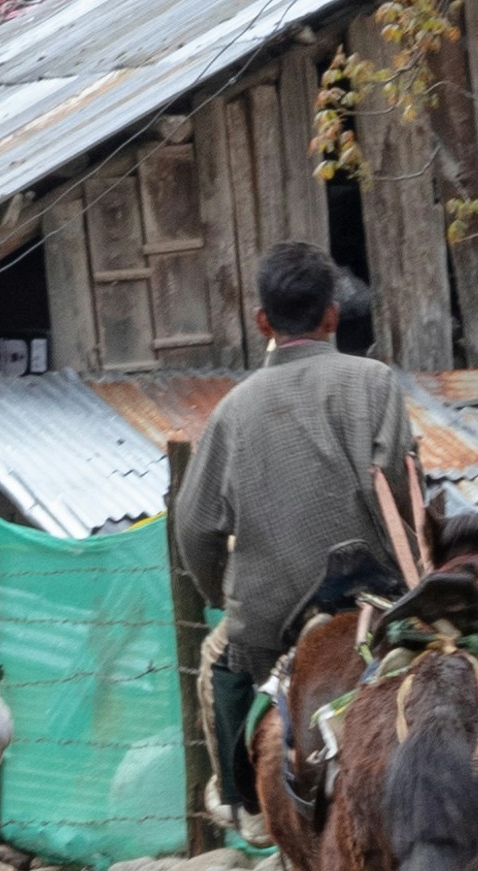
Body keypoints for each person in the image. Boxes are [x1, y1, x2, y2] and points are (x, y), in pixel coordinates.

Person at [175, 240, 429, 823]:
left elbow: (194, 529)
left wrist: (225, 599)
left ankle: (244, 805)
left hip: (271, 617)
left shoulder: (231, 411)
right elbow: (397, 480)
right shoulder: (375, 383)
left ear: (262, 321)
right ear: (332, 316)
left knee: (218, 657)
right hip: (375, 600)